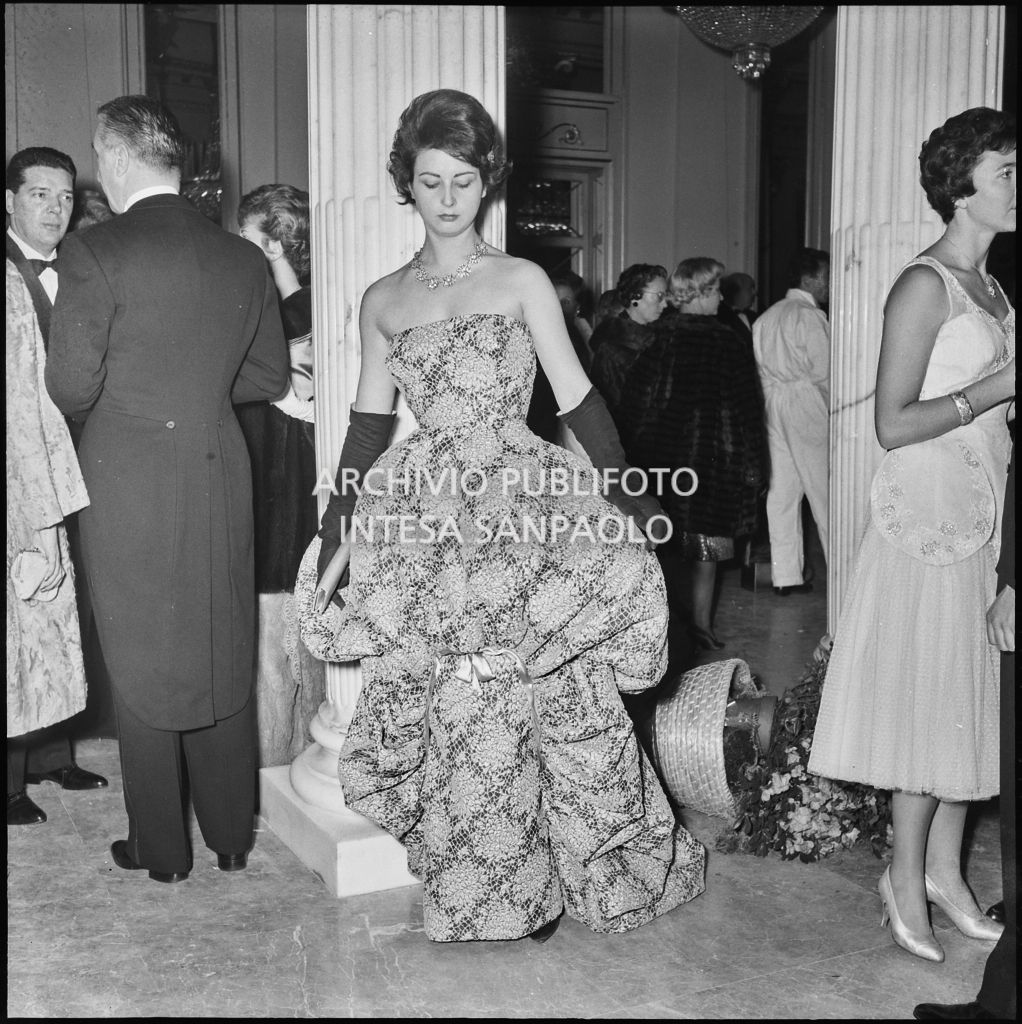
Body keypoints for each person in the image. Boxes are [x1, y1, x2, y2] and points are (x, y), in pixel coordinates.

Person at [296, 88, 705, 943]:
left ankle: (566, 869)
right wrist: (337, 533)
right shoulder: (381, 299)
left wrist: (633, 504)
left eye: (464, 180)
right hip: (429, 525)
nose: (447, 197)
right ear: (406, 184)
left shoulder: (521, 280)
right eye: (430, 179)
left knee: (545, 696)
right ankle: (494, 892)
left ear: (488, 183)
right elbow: (368, 429)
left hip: (524, 505)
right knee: (460, 709)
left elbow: (580, 398)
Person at [45, 95, 290, 882]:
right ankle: (228, 838)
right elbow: (270, 376)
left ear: (115, 159)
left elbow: (70, 387)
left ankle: (160, 849)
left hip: (129, 478)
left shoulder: (95, 251)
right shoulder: (241, 257)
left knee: (143, 652)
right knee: (220, 644)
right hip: (220, 469)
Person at [809, 107, 1015, 965]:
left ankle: (946, 877)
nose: (1019, 184)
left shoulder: (995, 288)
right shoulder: (924, 284)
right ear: (962, 185)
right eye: (1009, 170)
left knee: (963, 699)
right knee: (926, 698)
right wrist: (997, 386)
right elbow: (892, 423)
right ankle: (903, 880)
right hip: (925, 514)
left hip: (983, 507)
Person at [6, 146, 108, 826]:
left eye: (64, 196)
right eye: (39, 194)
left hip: (77, 460)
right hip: (15, 463)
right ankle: (10, 781)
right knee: (17, 608)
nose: (53, 208)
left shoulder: (81, 267)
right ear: (9, 201)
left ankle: (53, 755)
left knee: (63, 605)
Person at [914, 439, 1015, 1020]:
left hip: (989, 519)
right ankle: (918, 880)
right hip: (943, 511)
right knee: (944, 708)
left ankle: (1004, 1000)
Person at [620, 257, 767, 650]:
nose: (722, 297)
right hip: (713, 464)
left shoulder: (656, 337)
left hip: (661, 464)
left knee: (663, 550)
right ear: (701, 293)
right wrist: (754, 469)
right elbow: (747, 413)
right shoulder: (727, 342)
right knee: (706, 552)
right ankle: (702, 626)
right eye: (717, 290)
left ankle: (664, 631)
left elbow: (634, 404)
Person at [236, 183, 324, 767]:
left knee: (292, 646)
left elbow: (306, 329)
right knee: (284, 644)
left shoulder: (303, 303)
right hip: (277, 483)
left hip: (292, 486)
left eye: (248, 239)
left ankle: (284, 770)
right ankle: (278, 768)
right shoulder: (268, 302)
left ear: (273, 245)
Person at [752, 248, 831, 596]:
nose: (828, 284)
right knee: (824, 493)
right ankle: (841, 578)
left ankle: (786, 575)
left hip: (771, 402)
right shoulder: (808, 316)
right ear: (809, 279)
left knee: (782, 492)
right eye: (825, 276)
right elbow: (825, 372)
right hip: (805, 402)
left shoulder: (766, 317)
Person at [588, 263, 668, 423]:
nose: (665, 304)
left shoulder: (656, 339)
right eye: (659, 296)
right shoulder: (613, 348)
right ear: (635, 296)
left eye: (666, 296)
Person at [549, 268, 594, 372]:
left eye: (565, 302)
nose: (558, 308)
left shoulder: (580, 339)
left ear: (577, 306)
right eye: (553, 300)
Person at [717, 271, 758, 353]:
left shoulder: (755, 316)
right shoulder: (718, 317)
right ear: (735, 291)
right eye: (750, 288)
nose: (754, 292)